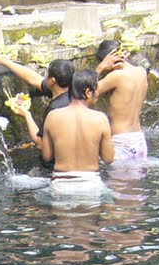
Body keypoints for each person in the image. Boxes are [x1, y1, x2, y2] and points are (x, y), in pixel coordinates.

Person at [12, 69, 114, 199]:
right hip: (90, 184)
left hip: (61, 185)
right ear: (88, 93)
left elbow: (47, 156)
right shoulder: (100, 119)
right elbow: (109, 158)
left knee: (63, 219)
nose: (98, 93)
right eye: (96, 89)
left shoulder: (52, 116)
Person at [93, 40, 150, 162]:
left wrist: (100, 68)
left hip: (122, 142)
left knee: (118, 181)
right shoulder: (142, 72)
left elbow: (86, 91)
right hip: (139, 140)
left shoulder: (117, 76)